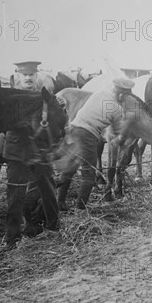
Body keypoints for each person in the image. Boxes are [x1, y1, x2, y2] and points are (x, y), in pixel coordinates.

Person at [3, 61, 61, 244]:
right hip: (17, 151)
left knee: (49, 189)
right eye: (24, 75)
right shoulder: (10, 97)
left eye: (31, 75)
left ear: (37, 76)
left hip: (40, 151)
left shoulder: (44, 96)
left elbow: (56, 121)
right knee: (15, 195)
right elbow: (5, 125)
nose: (28, 78)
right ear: (18, 76)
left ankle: (53, 227)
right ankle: (12, 237)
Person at [56, 78, 136, 211]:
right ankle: (80, 209)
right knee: (89, 175)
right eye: (126, 96)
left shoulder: (100, 93)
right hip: (87, 135)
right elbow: (117, 137)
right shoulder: (117, 109)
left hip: (73, 128)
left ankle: (60, 202)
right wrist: (128, 123)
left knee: (69, 168)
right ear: (121, 95)